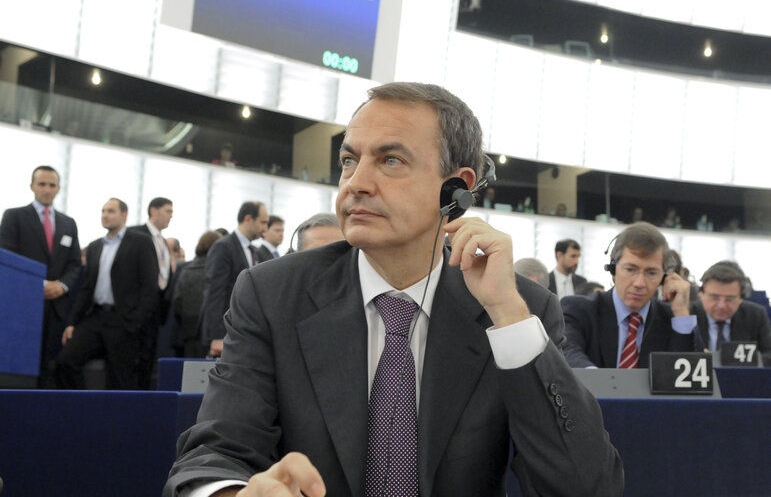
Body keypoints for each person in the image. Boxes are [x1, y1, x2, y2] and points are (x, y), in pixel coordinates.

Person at [166, 82, 622, 497]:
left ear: (456, 190)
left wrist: (509, 318)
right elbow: (213, 454)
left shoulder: (520, 309)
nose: (356, 184)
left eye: (390, 160)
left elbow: (586, 487)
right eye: (349, 160)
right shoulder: (271, 294)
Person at [562, 222, 699, 368]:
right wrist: (598, 380)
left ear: (664, 278)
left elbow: (690, 376)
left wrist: (682, 314)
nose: (639, 283)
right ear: (613, 270)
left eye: (651, 273)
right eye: (631, 269)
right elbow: (568, 352)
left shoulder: (672, 319)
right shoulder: (579, 310)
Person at [53, 198, 158, 389]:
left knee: (119, 378)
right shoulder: (95, 247)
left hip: (124, 320)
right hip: (96, 317)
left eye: (110, 211)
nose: (105, 215)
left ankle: (116, 417)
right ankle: (84, 408)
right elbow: (85, 289)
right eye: (103, 211)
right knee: (65, 361)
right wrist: (72, 322)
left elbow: (149, 287)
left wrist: (135, 322)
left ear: (124, 215)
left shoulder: (140, 242)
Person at [0, 165, 81, 387]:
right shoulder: (14, 216)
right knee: (20, 367)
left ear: (58, 189)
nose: (47, 189)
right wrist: (40, 284)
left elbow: (74, 264)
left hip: (57, 307)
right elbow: (7, 258)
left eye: (52, 185)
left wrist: (62, 285)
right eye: (42, 184)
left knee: (49, 367)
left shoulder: (68, 223)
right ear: (32, 186)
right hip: (23, 306)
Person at [200, 201, 269, 357]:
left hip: (245, 330)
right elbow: (214, 292)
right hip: (225, 331)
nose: (265, 228)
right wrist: (216, 336)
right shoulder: (223, 247)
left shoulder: (256, 252)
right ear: (248, 219)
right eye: (262, 222)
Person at [128, 197, 174, 389]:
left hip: (156, 309)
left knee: (148, 361)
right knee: (131, 362)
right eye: (168, 211)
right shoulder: (133, 234)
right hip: (134, 309)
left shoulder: (163, 241)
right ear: (153, 211)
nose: (171, 216)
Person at [692, 261, 771, 366]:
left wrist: (728, 359)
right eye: (714, 297)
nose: (721, 306)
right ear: (701, 294)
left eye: (729, 299)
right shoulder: (687, 314)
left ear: (741, 298)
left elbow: (769, 355)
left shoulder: (756, 315)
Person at [171, 230, 223, 358]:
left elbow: (177, 302)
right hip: (213, 337)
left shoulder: (185, 270)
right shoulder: (220, 272)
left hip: (187, 334)